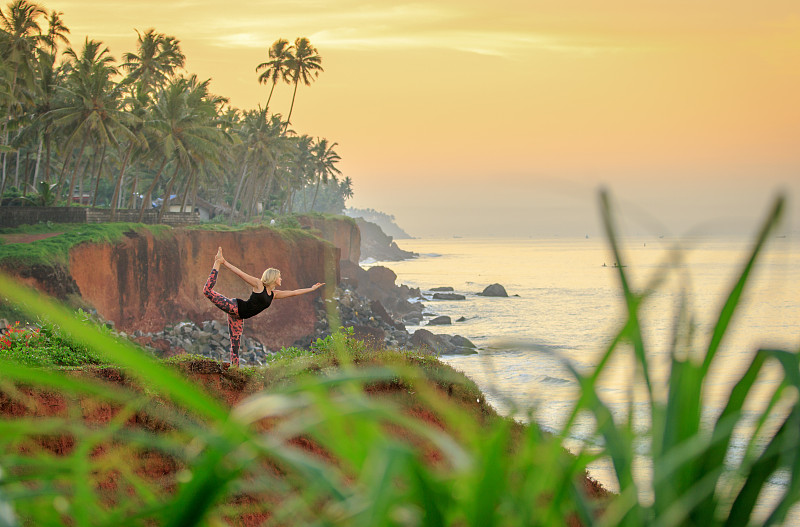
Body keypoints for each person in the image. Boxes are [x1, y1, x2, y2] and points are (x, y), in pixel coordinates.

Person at [203, 247, 324, 367]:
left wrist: (311, 288)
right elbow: (240, 273)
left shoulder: (274, 294)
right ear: (274, 277)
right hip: (235, 307)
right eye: (279, 276)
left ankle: (234, 371)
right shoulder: (259, 285)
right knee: (207, 291)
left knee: (235, 346)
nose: (281, 278)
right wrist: (224, 262)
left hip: (239, 317)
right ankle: (217, 262)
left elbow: (294, 292)